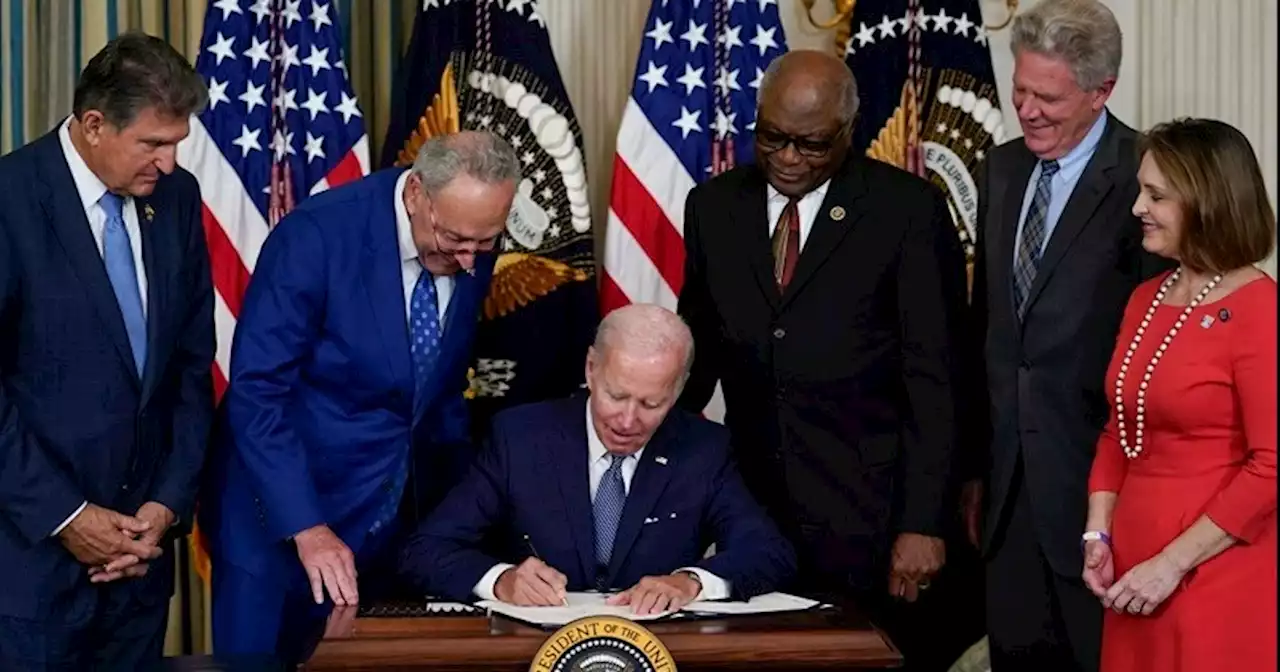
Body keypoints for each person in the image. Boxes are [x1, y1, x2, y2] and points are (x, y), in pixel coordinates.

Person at [676, 50, 973, 668]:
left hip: (871, 514)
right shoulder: (714, 207)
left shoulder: (907, 212)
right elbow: (695, 354)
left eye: (810, 145)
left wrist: (924, 522)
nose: (787, 158)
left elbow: (937, 377)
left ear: (848, 131)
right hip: (754, 509)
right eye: (772, 138)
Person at [200, 131, 519, 661]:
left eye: (484, 244)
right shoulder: (317, 237)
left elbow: (436, 392)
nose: (469, 261)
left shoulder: (468, 235)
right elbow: (259, 393)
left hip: (388, 523)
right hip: (278, 523)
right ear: (416, 192)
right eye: (455, 241)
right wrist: (306, 526)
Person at [962, 1, 1176, 669]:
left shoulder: (1147, 176)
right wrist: (974, 470)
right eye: (1020, 90)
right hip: (1006, 496)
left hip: (1103, 496)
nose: (1026, 109)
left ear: (1101, 92)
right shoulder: (1000, 168)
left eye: (1047, 97)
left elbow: (1159, 351)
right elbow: (988, 332)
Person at [0, 33, 214, 669]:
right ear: (93, 124)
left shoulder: (177, 200)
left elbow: (191, 369)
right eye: (153, 144)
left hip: (139, 569)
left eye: (177, 144)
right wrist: (68, 518)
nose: (169, 163)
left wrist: (165, 505)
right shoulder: (10, 201)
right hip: (28, 570)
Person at [399, 304, 797, 613]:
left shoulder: (703, 449)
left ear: (677, 392)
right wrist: (501, 580)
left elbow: (768, 552)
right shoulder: (520, 437)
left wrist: (691, 582)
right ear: (591, 369)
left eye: (651, 403)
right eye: (616, 396)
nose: (627, 420)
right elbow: (426, 549)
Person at [1082, 118, 1276, 671]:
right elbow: (1119, 426)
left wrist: (1170, 565)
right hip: (1132, 571)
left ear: (1208, 201)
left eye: (1157, 195)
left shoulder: (1261, 310)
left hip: (1216, 572)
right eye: (1141, 190)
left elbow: (1272, 464)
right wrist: (1098, 533)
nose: (1138, 207)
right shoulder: (1147, 298)